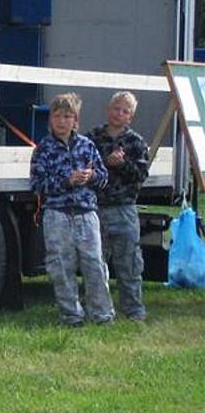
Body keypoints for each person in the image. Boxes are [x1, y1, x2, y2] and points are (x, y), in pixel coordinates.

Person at [30, 92, 115, 327]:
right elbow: (37, 184)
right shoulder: (43, 149)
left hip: (86, 213)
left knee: (95, 265)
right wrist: (67, 180)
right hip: (57, 214)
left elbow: (104, 178)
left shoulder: (87, 146)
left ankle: (102, 315)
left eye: (67, 116)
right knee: (61, 268)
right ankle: (71, 316)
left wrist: (92, 176)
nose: (62, 121)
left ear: (75, 120)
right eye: (57, 116)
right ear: (50, 119)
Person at [88, 91, 149, 321]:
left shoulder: (135, 142)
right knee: (95, 263)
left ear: (130, 117)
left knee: (129, 263)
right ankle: (100, 310)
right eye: (116, 108)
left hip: (124, 209)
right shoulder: (92, 138)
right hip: (96, 208)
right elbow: (85, 166)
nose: (119, 114)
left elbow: (141, 174)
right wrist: (106, 163)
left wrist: (122, 164)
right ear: (108, 109)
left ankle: (133, 310)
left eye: (125, 111)